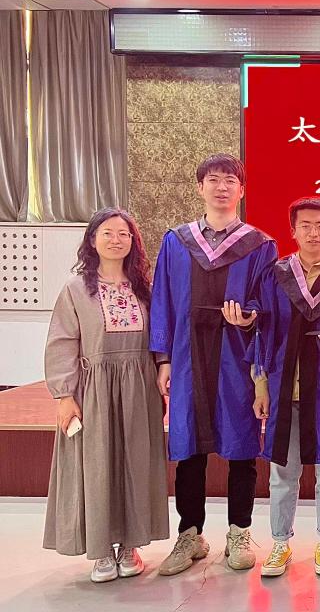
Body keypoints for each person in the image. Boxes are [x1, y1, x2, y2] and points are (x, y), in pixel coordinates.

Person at [151, 154, 278, 576]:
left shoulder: (259, 245)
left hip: (236, 357)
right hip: (187, 356)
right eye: (213, 179)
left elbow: (268, 302)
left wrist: (250, 317)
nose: (221, 187)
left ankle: (239, 531)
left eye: (229, 180)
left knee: (242, 445)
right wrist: (164, 358)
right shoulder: (177, 241)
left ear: (242, 190)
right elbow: (163, 300)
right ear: (200, 187)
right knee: (189, 448)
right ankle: (190, 534)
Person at [234, 197, 320, 577]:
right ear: (293, 231)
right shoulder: (275, 276)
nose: (313, 232)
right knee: (282, 471)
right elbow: (262, 333)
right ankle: (280, 544)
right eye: (306, 225)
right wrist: (260, 385)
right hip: (283, 389)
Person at [42, 208, 169, 582]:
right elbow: (62, 341)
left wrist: (163, 364)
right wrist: (64, 395)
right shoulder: (76, 289)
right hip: (94, 390)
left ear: (133, 242)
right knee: (97, 466)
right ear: (92, 240)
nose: (116, 240)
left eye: (124, 234)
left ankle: (130, 545)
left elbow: (161, 333)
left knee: (136, 464)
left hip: (139, 388)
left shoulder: (144, 288)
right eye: (108, 233)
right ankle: (100, 551)